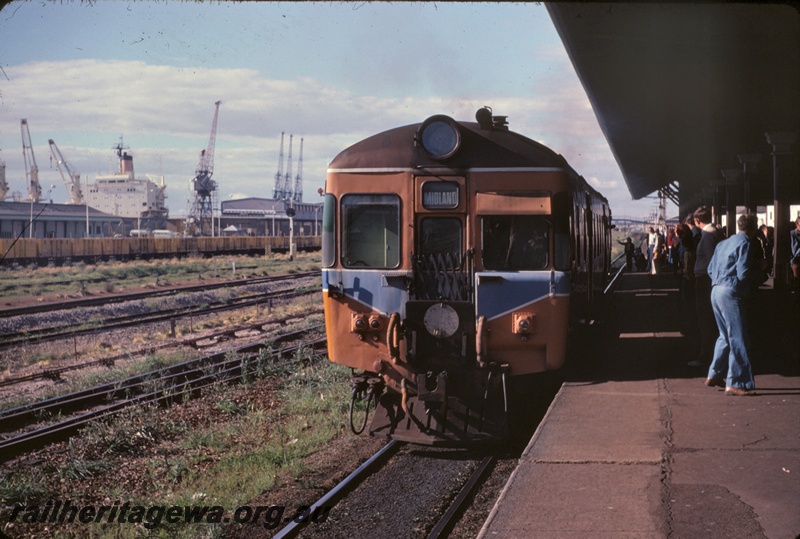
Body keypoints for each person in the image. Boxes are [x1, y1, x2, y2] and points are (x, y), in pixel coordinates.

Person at [705, 214, 760, 396]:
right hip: (730, 292)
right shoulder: (746, 243)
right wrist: (760, 272)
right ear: (753, 228)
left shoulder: (722, 243)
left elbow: (710, 269)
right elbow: (743, 274)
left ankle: (714, 374)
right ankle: (736, 382)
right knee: (738, 336)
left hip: (715, 290)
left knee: (724, 335)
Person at [689, 206, 726, 368]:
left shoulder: (707, 236)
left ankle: (705, 357)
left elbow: (713, 261)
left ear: (697, 221)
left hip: (706, 282)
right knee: (710, 320)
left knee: (705, 319)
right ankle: (710, 356)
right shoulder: (715, 233)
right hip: (709, 281)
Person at [791, 217, 800, 292]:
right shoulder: (793, 234)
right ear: (797, 224)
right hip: (796, 258)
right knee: (796, 267)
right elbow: (793, 250)